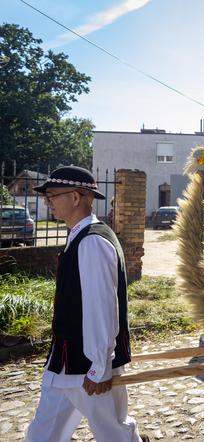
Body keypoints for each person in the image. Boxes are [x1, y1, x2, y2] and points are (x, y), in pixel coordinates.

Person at [26, 166, 143, 442]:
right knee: (42, 433)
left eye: (53, 195)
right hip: (64, 365)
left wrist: (99, 367)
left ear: (77, 197)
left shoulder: (92, 242)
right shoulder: (81, 235)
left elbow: (100, 308)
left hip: (85, 367)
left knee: (114, 433)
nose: (49, 201)